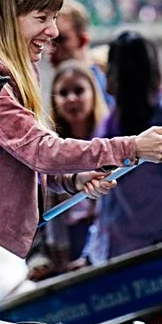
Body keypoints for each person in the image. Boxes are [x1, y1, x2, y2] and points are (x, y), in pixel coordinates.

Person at [0, 0, 162, 317]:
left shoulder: (18, 71)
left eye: (55, 18)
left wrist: (72, 180)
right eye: (42, 18)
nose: (54, 32)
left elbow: (16, 156)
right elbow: (39, 149)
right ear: (9, 17)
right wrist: (132, 147)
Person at [85, 32, 162, 265]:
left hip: (159, 254)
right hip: (112, 255)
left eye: (111, 69)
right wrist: (90, 252)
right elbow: (107, 202)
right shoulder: (111, 122)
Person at [29, 59, 107, 277]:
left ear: (94, 93)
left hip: (106, 246)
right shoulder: (49, 150)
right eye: (63, 93)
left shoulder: (110, 144)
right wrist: (37, 258)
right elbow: (36, 212)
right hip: (62, 252)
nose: (72, 98)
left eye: (79, 90)